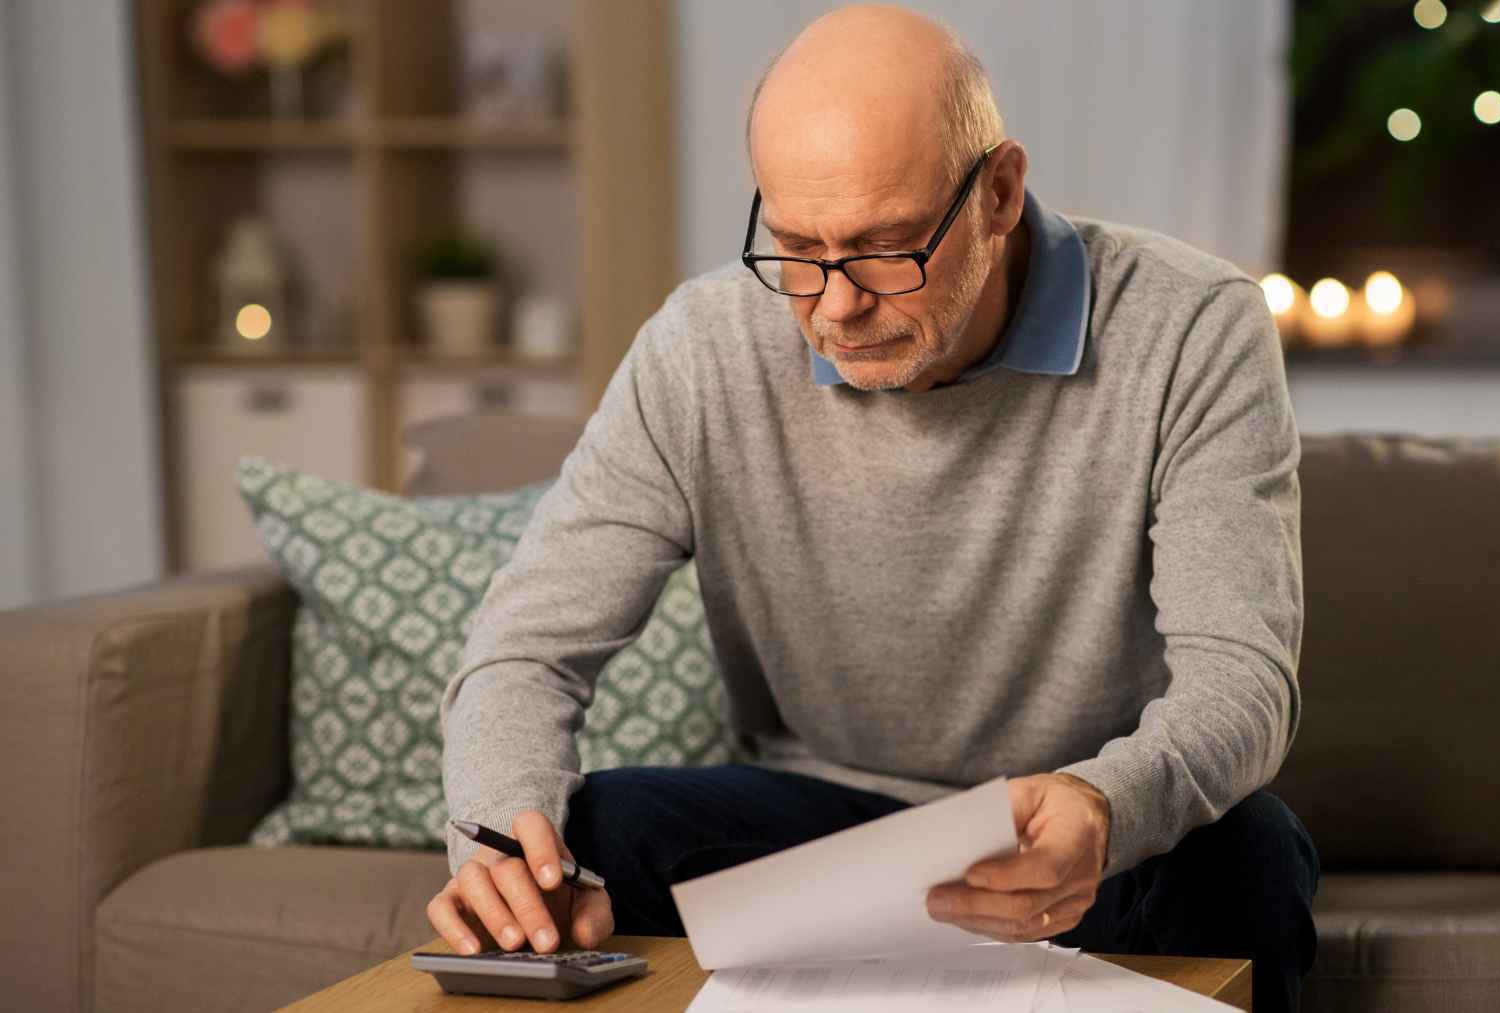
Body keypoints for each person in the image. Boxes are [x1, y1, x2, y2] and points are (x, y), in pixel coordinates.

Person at [426, 4, 1317, 1009]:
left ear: (1000, 194)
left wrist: (1105, 802)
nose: (834, 307)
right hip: (819, 831)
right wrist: (500, 840)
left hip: (1080, 838)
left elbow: (1241, 678)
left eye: (885, 250)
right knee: (591, 829)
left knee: (1250, 854)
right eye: (797, 247)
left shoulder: (1195, 327)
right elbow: (525, 647)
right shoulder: (703, 347)